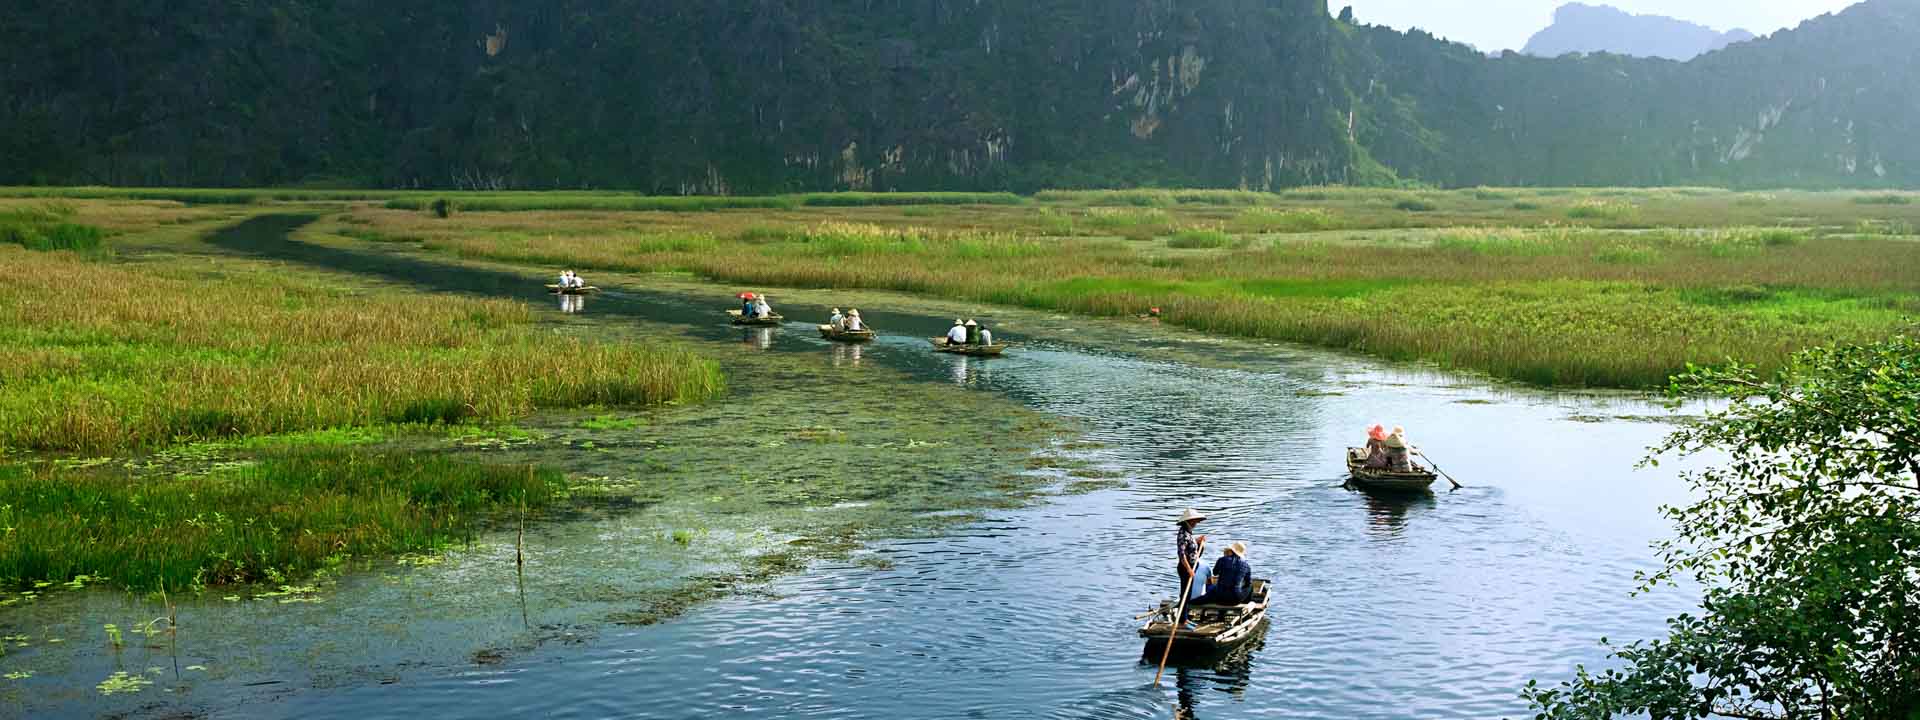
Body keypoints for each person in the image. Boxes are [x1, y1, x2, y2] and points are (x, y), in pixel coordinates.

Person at [1191, 542, 1253, 607]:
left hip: (1219, 597)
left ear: (1230, 551)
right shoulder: (1246, 565)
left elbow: (1215, 572)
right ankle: (1246, 603)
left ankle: (1191, 602)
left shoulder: (1222, 560)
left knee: (1210, 590)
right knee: (1250, 586)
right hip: (1235, 600)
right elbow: (1248, 583)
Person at [1174, 509, 1208, 603]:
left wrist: (1197, 541)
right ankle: (1183, 612)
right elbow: (1181, 554)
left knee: (1188, 592)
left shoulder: (1188, 532)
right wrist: (1189, 569)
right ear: (1189, 521)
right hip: (1186, 567)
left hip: (1191, 566)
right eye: (1194, 521)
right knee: (1185, 593)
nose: (1196, 523)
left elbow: (1189, 544)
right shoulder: (1183, 533)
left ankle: (1185, 611)